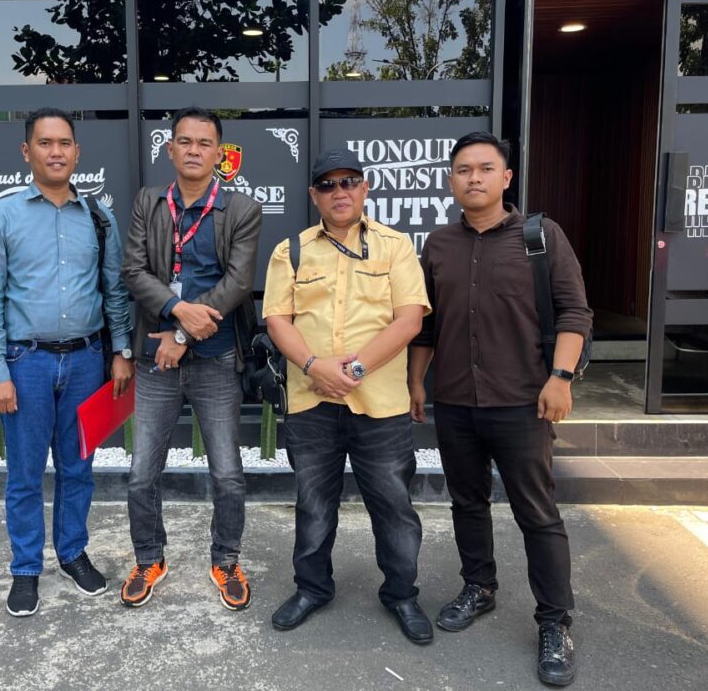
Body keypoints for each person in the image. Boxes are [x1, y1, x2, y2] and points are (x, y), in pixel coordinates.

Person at [408, 131, 592, 686]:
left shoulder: (541, 237)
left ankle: (554, 621)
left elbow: (574, 313)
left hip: (523, 402)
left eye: (486, 168)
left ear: (506, 178)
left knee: (538, 513)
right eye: (463, 170)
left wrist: (561, 377)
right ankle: (479, 586)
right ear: (451, 181)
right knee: (467, 503)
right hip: (456, 401)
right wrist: (416, 382)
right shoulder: (438, 245)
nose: (474, 178)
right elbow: (428, 325)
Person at [262, 148, 434, 644]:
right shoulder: (291, 251)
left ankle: (401, 594)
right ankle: (312, 588)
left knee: (394, 508)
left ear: (364, 188)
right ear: (313, 195)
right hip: (312, 402)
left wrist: (353, 370)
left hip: (380, 404)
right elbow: (277, 320)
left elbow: (409, 320)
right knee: (313, 504)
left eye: (349, 182)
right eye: (328, 184)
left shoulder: (396, 247)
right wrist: (315, 366)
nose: (339, 192)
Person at [0, 108, 134, 618]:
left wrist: (121, 351)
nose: (56, 152)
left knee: (78, 468)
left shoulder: (98, 218)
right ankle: (25, 568)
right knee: (25, 473)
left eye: (65, 143)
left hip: (86, 360)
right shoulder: (2, 215)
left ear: (77, 152)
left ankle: (71, 553)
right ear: (27, 152)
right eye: (45, 143)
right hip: (26, 363)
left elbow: (114, 292)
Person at [120, 106, 262, 611]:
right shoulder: (148, 202)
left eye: (204, 143)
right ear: (170, 148)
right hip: (157, 362)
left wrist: (181, 334)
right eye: (185, 141)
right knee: (141, 473)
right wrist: (179, 311)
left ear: (219, 152)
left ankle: (226, 560)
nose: (194, 150)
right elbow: (134, 271)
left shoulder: (241, 209)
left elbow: (238, 284)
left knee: (227, 474)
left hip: (216, 361)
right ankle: (149, 558)